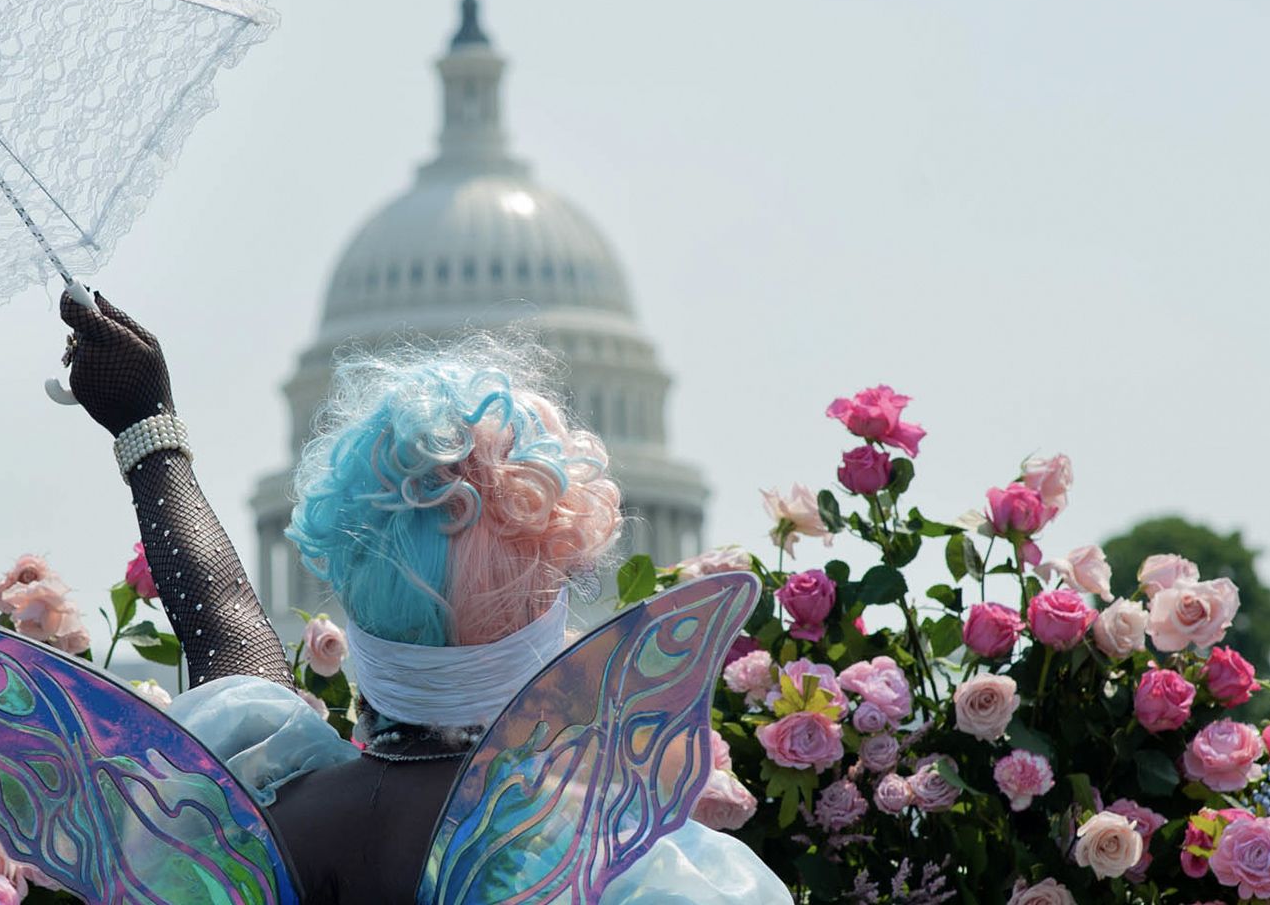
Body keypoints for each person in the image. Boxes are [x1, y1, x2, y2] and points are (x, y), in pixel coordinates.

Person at [59, 291, 788, 903]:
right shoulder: (617, 867)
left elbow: (222, 623)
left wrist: (146, 428)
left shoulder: (259, 813)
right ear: (543, 629)